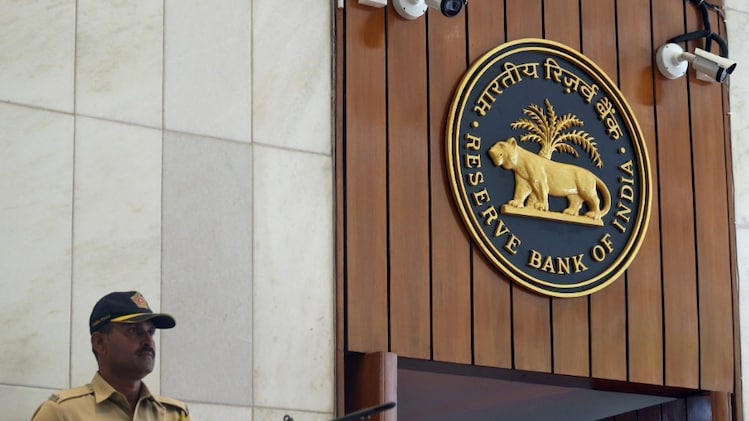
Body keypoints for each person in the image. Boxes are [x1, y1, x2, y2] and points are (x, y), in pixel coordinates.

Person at [32, 291, 190, 420]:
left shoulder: (173, 415)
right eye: (133, 331)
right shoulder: (62, 413)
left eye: (151, 332)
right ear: (100, 342)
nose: (148, 341)